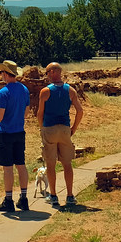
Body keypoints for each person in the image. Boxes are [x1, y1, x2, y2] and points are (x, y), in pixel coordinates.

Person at [37, 62, 84, 207]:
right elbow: (80, 111)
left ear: (52, 72)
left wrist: (42, 127)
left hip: (49, 127)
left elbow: (40, 113)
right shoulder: (70, 90)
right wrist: (73, 128)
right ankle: (70, 195)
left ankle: (53, 195)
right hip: (64, 128)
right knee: (67, 163)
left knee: (50, 164)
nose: (47, 76)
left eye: (47, 73)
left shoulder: (45, 91)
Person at [0, 60, 30, 212]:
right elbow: (26, 112)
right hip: (19, 132)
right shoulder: (24, 89)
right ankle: (23, 199)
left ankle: (8, 200)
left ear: (5, 74)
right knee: (21, 165)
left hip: (5, 133)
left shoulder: (3, 93)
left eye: (1, 73)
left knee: (8, 168)